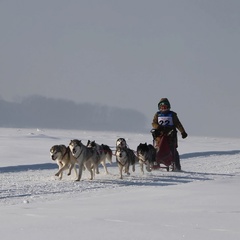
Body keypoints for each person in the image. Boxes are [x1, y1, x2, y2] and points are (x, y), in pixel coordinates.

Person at [151, 98, 188, 171]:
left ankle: (177, 166)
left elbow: (178, 124)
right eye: (162, 107)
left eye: (165, 106)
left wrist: (183, 132)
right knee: (156, 149)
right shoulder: (157, 114)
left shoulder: (172, 114)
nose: (163, 108)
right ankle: (155, 162)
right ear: (159, 107)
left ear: (168, 106)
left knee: (173, 150)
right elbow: (153, 123)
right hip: (159, 135)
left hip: (170, 135)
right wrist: (157, 127)